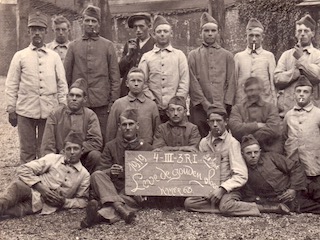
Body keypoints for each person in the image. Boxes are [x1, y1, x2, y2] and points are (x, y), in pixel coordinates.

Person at [5, 11, 68, 163]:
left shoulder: (53, 57)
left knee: (46, 149)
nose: (37, 33)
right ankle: (27, 183)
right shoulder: (20, 56)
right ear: (29, 32)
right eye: (34, 29)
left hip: (49, 110)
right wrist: (11, 108)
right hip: (25, 110)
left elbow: (62, 84)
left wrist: (62, 107)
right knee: (27, 149)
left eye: (40, 29)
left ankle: (45, 183)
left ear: (46, 32)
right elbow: (11, 84)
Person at [80, 109, 153, 228]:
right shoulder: (111, 146)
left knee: (130, 197)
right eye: (124, 124)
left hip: (131, 191)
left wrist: (141, 188)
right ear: (119, 127)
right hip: (111, 188)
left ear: (137, 126)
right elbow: (101, 170)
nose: (128, 128)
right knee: (96, 175)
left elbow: (151, 176)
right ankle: (121, 209)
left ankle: (96, 216)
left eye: (131, 124)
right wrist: (110, 172)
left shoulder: (147, 148)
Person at [184, 105, 262, 216]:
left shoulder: (232, 143)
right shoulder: (203, 143)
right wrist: (205, 188)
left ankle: (257, 207)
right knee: (189, 203)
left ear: (226, 122)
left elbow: (241, 175)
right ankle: (226, 208)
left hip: (229, 189)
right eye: (212, 121)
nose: (215, 124)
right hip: (211, 187)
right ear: (208, 122)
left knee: (226, 205)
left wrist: (222, 189)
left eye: (219, 121)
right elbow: (202, 171)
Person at [0, 132, 90, 219]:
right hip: (31, 190)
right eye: (68, 149)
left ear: (82, 151)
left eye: (76, 148)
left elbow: (83, 201)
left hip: (42, 206)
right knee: (15, 188)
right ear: (63, 151)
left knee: (11, 212)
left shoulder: (84, 175)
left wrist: (64, 202)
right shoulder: (53, 159)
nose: (72, 152)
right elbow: (23, 169)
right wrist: (41, 188)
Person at [64, 5, 120, 141]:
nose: (90, 24)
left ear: (99, 24)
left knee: (101, 135)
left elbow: (114, 76)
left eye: (94, 21)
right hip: (79, 102)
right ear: (82, 22)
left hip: (102, 102)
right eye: (87, 20)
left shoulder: (108, 46)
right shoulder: (73, 46)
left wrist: (113, 100)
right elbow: (66, 76)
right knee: (78, 136)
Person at [241, 134, 320, 214]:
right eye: (249, 153)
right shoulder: (243, 172)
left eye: (256, 152)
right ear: (242, 154)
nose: (253, 156)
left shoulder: (271, 157)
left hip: (301, 186)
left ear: (260, 151)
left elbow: (295, 167)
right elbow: (251, 197)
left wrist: (293, 189)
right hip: (289, 201)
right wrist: (275, 202)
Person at [41, 78, 103, 174]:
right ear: (67, 97)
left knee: (96, 156)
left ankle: (88, 182)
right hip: (60, 158)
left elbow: (96, 141)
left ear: (84, 99)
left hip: (82, 159)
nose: (74, 98)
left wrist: (78, 151)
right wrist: (58, 158)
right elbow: (48, 143)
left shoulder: (90, 115)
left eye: (78, 96)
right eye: (71, 95)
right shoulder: (55, 114)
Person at [188, 12, 235, 137]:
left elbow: (231, 82)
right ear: (201, 33)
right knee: (200, 136)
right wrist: (204, 103)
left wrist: (224, 105)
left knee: (221, 136)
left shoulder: (227, 56)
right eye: (206, 30)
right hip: (200, 108)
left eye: (213, 30)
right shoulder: (193, 55)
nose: (210, 33)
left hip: (222, 107)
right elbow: (192, 82)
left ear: (218, 32)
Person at [139, 15, 189, 123]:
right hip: (152, 107)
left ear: (171, 34)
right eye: (159, 31)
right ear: (153, 34)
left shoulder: (179, 55)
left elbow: (184, 82)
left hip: (175, 110)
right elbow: (142, 82)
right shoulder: (147, 57)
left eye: (165, 31)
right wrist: (152, 101)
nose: (162, 34)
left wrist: (176, 104)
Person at [283, 75, 320, 204]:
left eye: (305, 92)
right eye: (298, 91)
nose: (301, 95)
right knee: (296, 199)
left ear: (311, 94)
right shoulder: (288, 115)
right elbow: (284, 137)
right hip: (294, 164)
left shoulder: (317, 114)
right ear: (294, 94)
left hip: (313, 165)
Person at [274, 14, 320, 118]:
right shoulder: (286, 55)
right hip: (288, 110)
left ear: (312, 33)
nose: (302, 34)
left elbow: (317, 76)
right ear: (296, 34)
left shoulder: (317, 55)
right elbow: (277, 79)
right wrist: (294, 73)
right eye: (299, 31)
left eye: (306, 31)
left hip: (312, 112)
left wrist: (301, 59)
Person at [106, 67, 160, 144]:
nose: (136, 84)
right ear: (127, 83)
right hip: (123, 150)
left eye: (139, 81)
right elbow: (111, 131)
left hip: (145, 150)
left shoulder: (151, 105)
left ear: (144, 84)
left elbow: (157, 132)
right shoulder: (118, 104)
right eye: (133, 80)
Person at [229, 77, 282, 153]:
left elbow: (274, 130)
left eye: (253, 90)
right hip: (245, 152)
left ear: (260, 90)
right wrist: (257, 126)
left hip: (268, 151)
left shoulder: (270, 108)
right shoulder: (237, 109)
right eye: (248, 91)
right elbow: (235, 128)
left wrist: (248, 137)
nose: (251, 94)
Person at [234, 18, 277, 105]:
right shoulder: (239, 57)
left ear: (262, 38)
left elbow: (273, 82)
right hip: (243, 103)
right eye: (251, 35)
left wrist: (274, 101)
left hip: (264, 102)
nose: (254, 39)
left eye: (257, 36)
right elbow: (234, 82)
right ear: (246, 37)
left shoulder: (269, 56)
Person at [119, 12, 155, 97]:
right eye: (135, 27)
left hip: (148, 92)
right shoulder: (129, 44)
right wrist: (128, 54)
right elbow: (120, 71)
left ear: (149, 27)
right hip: (128, 91)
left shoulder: (155, 44)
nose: (138, 30)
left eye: (141, 26)